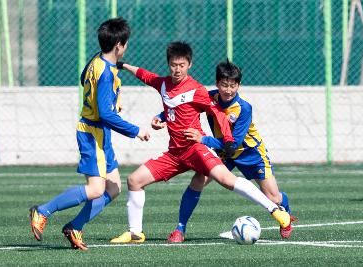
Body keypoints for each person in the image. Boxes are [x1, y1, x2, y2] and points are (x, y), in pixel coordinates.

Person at [110, 41, 291, 244]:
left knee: (227, 180)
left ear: (190, 65)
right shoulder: (162, 84)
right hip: (175, 153)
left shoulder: (199, 90)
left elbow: (218, 115)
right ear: (168, 64)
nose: (177, 69)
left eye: (182, 65)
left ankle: (276, 210)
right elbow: (145, 75)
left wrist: (227, 139)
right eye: (173, 64)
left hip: (212, 149)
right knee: (134, 180)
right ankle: (137, 232)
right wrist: (124, 66)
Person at [29, 17, 150, 251]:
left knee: (113, 188)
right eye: (125, 44)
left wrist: (108, 98)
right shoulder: (105, 72)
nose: (126, 48)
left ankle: (75, 226)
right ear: (118, 46)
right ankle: (42, 210)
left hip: (100, 133)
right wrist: (136, 131)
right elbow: (105, 114)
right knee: (96, 189)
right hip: (92, 133)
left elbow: (84, 77)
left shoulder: (97, 60)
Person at [153, 60, 296, 243]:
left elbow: (234, 144)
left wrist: (203, 139)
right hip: (223, 153)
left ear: (239, 85)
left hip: (250, 154)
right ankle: (180, 229)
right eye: (224, 85)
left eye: (233, 86)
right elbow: (182, 106)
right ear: (217, 83)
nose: (228, 90)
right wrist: (160, 116)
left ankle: (286, 214)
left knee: (273, 197)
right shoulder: (208, 97)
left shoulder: (244, 108)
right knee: (198, 180)